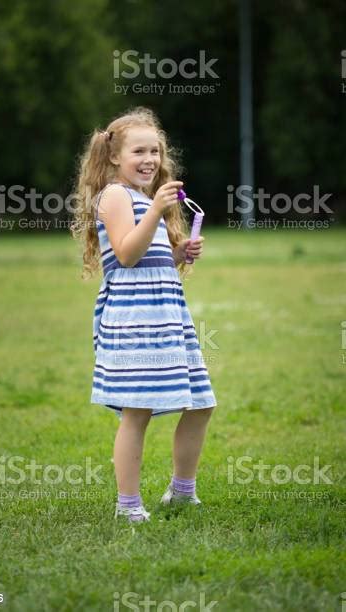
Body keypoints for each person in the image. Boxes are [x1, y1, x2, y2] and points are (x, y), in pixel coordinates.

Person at [71, 107, 217, 524]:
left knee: (201, 403)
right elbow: (125, 254)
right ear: (115, 157)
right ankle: (128, 505)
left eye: (155, 151)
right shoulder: (116, 196)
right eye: (139, 151)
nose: (150, 159)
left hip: (167, 317)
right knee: (137, 411)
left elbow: (149, 257)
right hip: (134, 320)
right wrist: (155, 209)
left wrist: (177, 254)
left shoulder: (140, 198)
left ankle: (182, 492)